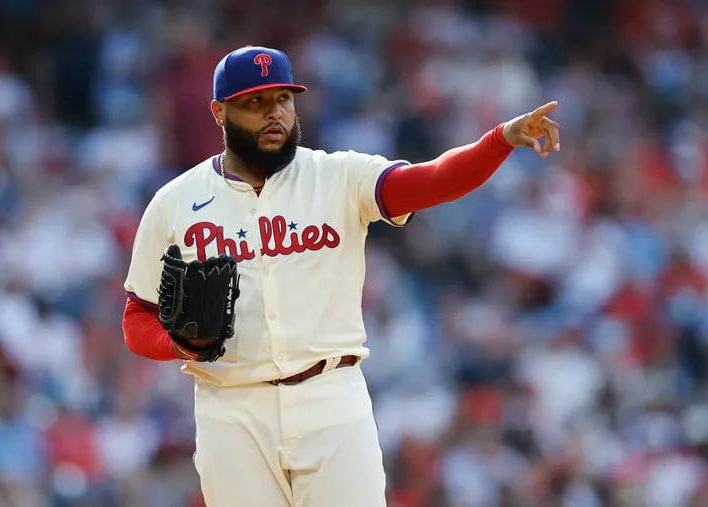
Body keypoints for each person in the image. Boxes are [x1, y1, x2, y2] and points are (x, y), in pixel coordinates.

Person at [122, 45, 560, 507]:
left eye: (283, 100)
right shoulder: (175, 203)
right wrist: (178, 344)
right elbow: (136, 319)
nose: (275, 113)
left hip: (330, 398)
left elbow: (434, 181)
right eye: (256, 102)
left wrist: (501, 139)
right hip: (230, 411)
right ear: (219, 112)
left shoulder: (338, 175)